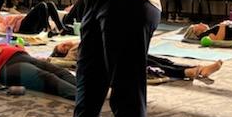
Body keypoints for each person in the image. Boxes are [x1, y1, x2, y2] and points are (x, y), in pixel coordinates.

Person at [0, 40, 76, 99]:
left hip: (23, 57)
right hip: (8, 66)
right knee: (48, 78)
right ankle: (81, 97)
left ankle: (85, 89)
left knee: (61, 72)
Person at [49, 41, 223, 81]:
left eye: (62, 45)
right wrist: (51, 58)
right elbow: (67, 63)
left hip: (118, 47)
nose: (64, 46)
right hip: (112, 57)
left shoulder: (79, 38)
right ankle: (188, 72)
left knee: (159, 60)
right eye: (62, 49)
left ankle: (198, 69)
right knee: (151, 64)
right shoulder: (74, 51)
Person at [0, 1, 65, 35]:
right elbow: (7, 30)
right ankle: (47, 28)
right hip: (25, 27)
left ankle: (61, 28)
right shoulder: (0, 25)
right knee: (41, 5)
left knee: (49, 4)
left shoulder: (4, 18)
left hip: (29, 23)